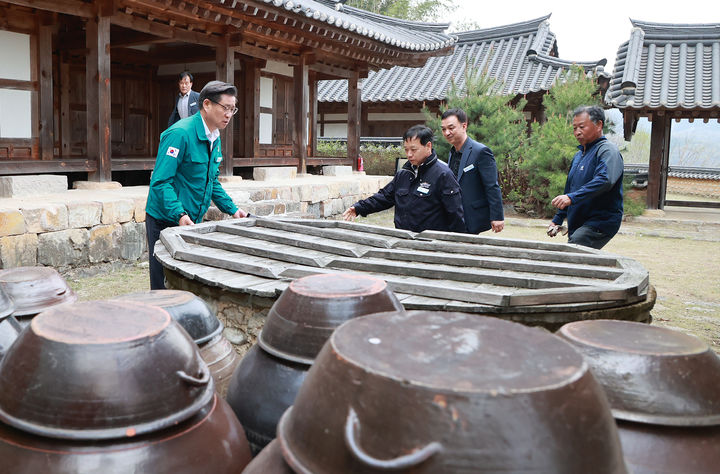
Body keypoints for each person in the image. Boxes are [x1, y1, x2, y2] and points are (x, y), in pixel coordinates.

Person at [146, 80, 248, 289]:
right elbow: (160, 182)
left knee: (186, 280)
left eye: (233, 109)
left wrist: (233, 210)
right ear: (207, 105)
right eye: (225, 108)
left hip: (191, 219)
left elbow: (212, 181)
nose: (229, 114)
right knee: (163, 283)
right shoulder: (180, 133)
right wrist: (179, 214)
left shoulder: (214, 137)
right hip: (166, 218)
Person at [342, 125, 465, 233]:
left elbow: (455, 214)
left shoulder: (443, 174)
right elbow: (384, 197)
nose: (409, 154)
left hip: (431, 244)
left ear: (428, 146)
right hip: (402, 240)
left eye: (413, 149)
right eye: (406, 150)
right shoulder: (404, 174)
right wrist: (359, 208)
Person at [548, 105, 624, 249]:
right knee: (580, 258)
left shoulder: (608, 151)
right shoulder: (579, 155)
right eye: (574, 128)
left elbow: (604, 180)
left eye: (582, 127)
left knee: (574, 251)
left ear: (599, 125)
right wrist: (558, 219)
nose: (577, 132)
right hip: (578, 221)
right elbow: (569, 188)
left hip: (600, 221)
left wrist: (572, 197)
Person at [440, 108, 505, 234]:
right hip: (454, 216)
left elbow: (491, 185)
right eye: (443, 129)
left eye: (451, 128)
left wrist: (497, 216)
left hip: (473, 216)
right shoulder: (452, 153)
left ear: (464, 126)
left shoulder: (481, 151)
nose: (447, 132)